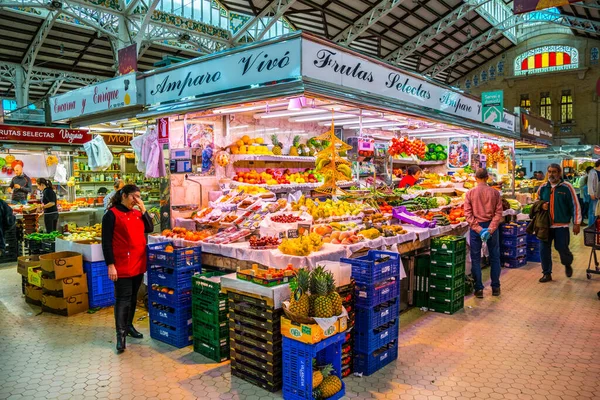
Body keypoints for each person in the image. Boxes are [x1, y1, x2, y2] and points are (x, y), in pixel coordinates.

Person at [101, 185, 153, 353]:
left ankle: (129, 326)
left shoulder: (138, 214)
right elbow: (106, 243)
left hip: (138, 264)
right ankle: (120, 335)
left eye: (139, 197)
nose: (136, 200)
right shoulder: (111, 215)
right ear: (124, 195)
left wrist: (144, 209)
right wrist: (111, 265)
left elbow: (150, 228)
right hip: (121, 265)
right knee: (122, 300)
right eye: (133, 197)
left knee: (132, 299)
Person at [536, 164, 581, 282]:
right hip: (545, 225)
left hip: (561, 225)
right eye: (549, 172)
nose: (551, 174)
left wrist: (576, 223)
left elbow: (575, 205)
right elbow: (536, 202)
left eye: (554, 172)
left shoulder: (567, 187)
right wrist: (541, 205)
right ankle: (547, 273)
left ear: (559, 173)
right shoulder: (543, 187)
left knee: (562, 248)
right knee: (543, 249)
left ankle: (567, 263)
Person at [464, 168, 504, 298]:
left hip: (476, 228)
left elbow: (468, 215)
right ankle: (496, 287)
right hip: (491, 227)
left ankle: (479, 289)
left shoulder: (470, 193)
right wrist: (490, 229)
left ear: (475, 178)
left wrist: (479, 229)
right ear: (487, 178)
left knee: (476, 259)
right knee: (495, 257)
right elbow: (499, 214)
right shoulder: (495, 193)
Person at [587, 160, 600, 226]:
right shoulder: (592, 172)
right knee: (593, 211)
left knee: (597, 211)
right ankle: (591, 226)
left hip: (598, 194)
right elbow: (590, 183)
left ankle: (596, 225)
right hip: (594, 194)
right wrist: (591, 193)